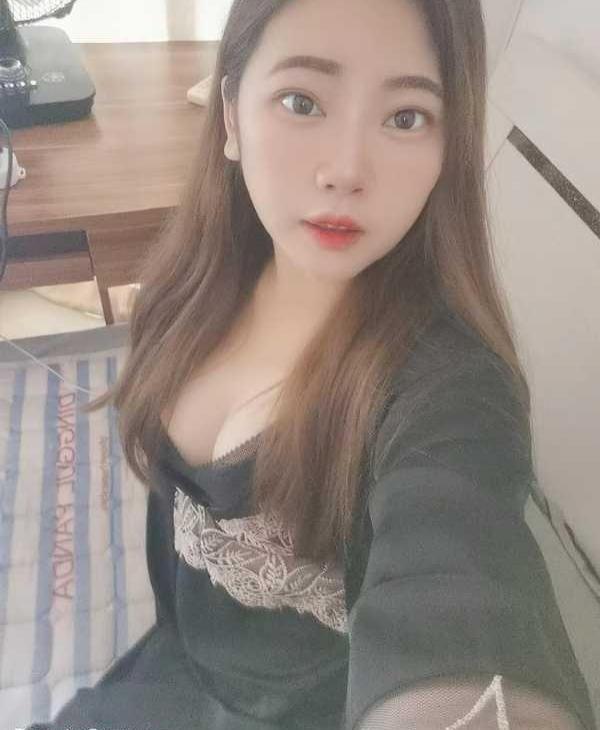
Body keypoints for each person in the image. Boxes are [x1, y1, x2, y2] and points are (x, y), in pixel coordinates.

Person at [31, 0, 596, 728]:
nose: (346, 170)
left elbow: (461, 559)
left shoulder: (448, 389)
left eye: (406, 117)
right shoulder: (196, 279)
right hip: (172, 665)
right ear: (231, 116)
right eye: (302, 102)